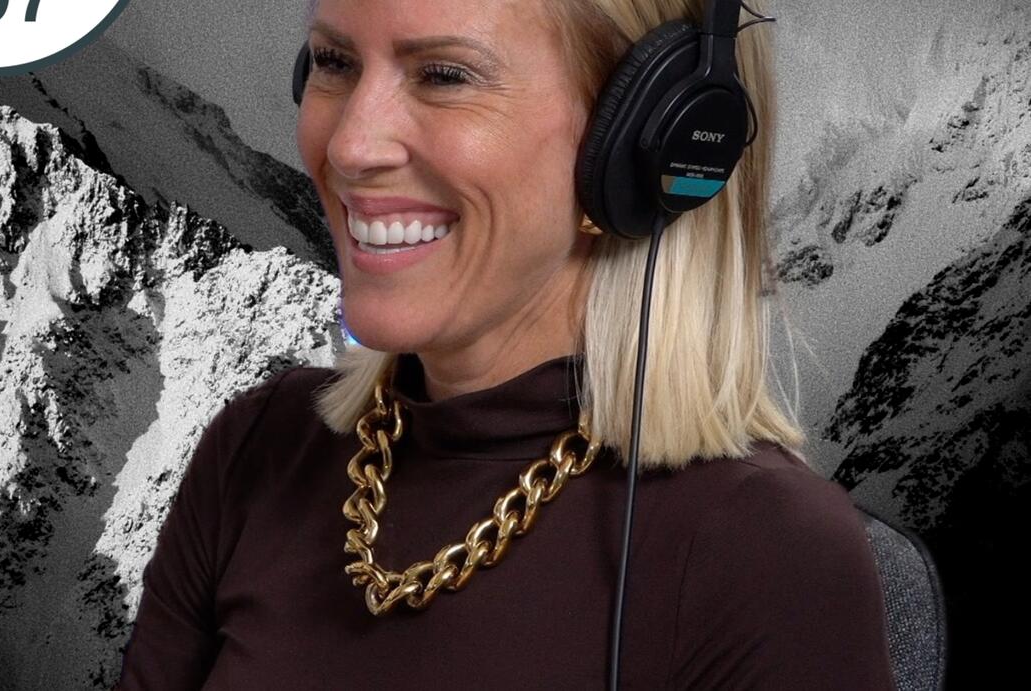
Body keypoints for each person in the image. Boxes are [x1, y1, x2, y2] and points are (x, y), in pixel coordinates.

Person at [115, 0, 898, 689]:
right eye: (333, 61)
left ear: (644, 143)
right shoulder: (257, 450)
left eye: (445, 75)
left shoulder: (767, 557)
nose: (350, 146)